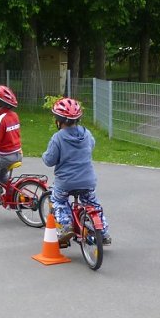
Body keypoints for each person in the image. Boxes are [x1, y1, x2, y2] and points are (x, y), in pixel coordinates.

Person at [42, 97, 110, 247]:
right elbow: (91, 146)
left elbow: (50, 160)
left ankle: (66, 227)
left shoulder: (58, 138)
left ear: (58, 120)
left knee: (58, 201)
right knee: (93, 204)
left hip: (66, 183)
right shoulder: (87, 134)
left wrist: (44, 155)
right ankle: (103, 233)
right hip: (87, 180)